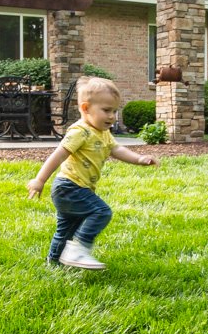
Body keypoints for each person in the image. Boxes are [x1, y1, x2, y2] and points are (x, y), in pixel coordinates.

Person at [27, 76, 158, 270]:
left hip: (74, 189)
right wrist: (39, 180)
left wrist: (139, 159)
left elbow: (117, 150)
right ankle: (78, 250)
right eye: (106, 110)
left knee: (66, 229)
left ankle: (53, 264)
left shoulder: (103, 132)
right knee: (101, 212)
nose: (112, 116)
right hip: (69, 187)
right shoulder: (81, 131)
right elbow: (58, 155)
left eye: (114, 111)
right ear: (86, 108)